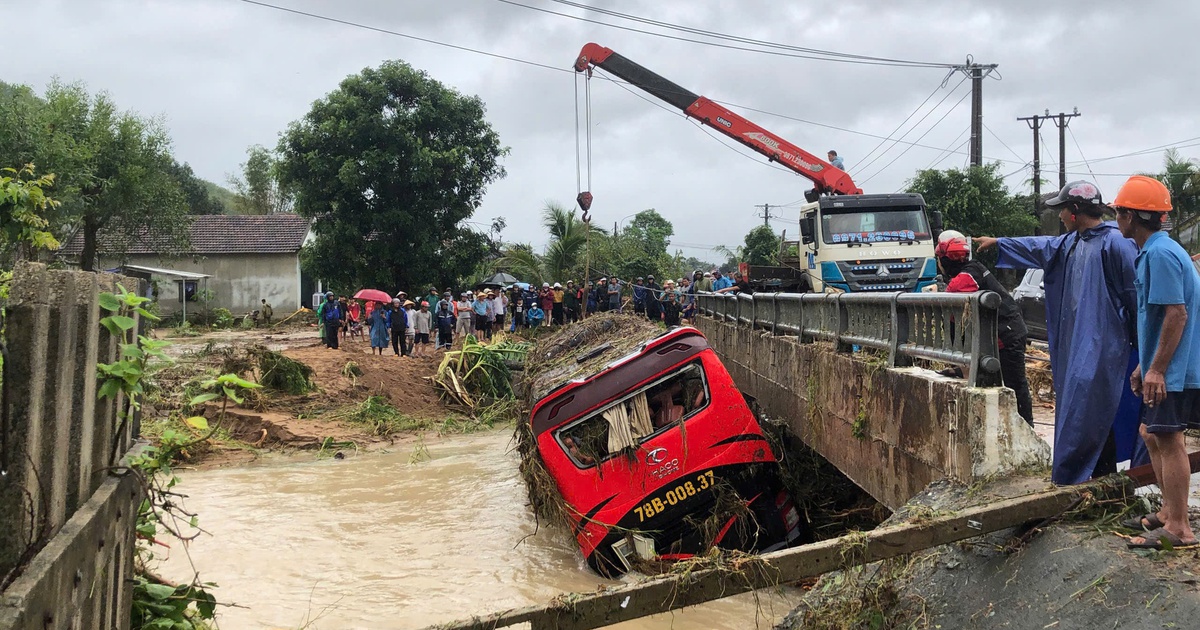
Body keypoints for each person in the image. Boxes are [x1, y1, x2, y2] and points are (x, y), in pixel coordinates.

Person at [975, 180, 1141, 485]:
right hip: (1078, 346)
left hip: (1106, 348)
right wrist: (1000, 242)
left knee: (1095, 408)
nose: (1060, 217)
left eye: (1062, 211)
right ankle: (1101, 479)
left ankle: (1086, 478)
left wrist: (1138, 345)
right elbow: (1039, 246)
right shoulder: (1072, 243)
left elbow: (1136, 297)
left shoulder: (1115, 244)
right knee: (1086, 410)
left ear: (1075, 211)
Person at [1112, 176, 1200, 549]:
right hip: (1168, 365)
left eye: (1118, 212)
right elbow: (1156, 316)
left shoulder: (1161, 254)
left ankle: (1179, 527)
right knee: (1152, 434)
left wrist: (1157, 369)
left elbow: (1175, 314)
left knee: (1167, 438)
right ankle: (1168, 511)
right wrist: (1143, 364)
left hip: (1175, 370)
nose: (1116, 218)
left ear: (1131, 215)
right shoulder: (1157, 251)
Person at [936, 237, 1034, 426]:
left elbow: (952, 317)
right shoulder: (975, 267)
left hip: (1005, 334)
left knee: (1014, 383)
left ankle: (1026, 426)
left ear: (945, 261)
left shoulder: (962, 280)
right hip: (1008, 329)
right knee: (1005, 382)